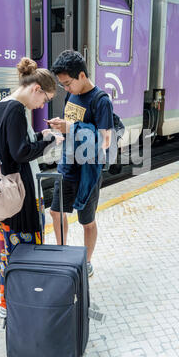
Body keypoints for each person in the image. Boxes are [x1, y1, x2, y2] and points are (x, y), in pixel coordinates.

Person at [0, 57, 63, 318]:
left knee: (8, 252)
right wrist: (50, 141)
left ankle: (6, 302)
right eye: (44, 100)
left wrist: (41, 136)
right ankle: (24, 304)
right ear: (36, 89)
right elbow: (21, 153)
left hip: (6, 196)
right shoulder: (17, 110)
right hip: (20, 198)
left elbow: (11, 148)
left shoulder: (3, 106)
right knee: (26, 250)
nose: (42, 105)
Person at [48, 50, 114, 277]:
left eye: (68, 84)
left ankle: (86, 262)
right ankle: (63, 253)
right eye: (62, 85)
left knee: (87, 221)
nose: (65, 89)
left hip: (88, 170)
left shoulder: (101, 100)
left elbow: (105, 140)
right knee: (56, 212)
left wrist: (71, 128)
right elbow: (71, 123)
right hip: (67, 164)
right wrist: (61, 128)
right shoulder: (71, 94)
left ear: (82, 76)